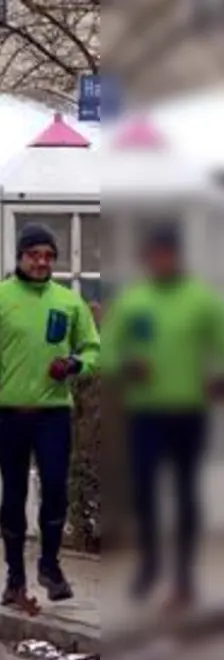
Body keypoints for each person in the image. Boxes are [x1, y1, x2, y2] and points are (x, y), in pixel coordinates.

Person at [0, 224, 100, 612]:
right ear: (20, 257)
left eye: (49, 256)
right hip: (10, 413)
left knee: (55, 487)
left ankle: (50, 566)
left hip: (53, 412)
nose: (41, 262)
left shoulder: (69, 302)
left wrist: (72, 364)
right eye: (34, 254)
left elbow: (93, 350)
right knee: (14, 493)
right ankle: (14, 578)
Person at [99, 223, 224, 611]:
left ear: (177, 256)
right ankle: (150, 565)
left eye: (167, 254)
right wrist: (125, 364)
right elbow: (107, 353)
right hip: (146, 413)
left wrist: (217, 376)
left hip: (189, 410)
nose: (161, 261)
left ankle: (184, 577)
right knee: (145, 492)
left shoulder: (201, 300)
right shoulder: (135, 302)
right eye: (155, 255)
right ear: (148, 259)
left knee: (186, 494)